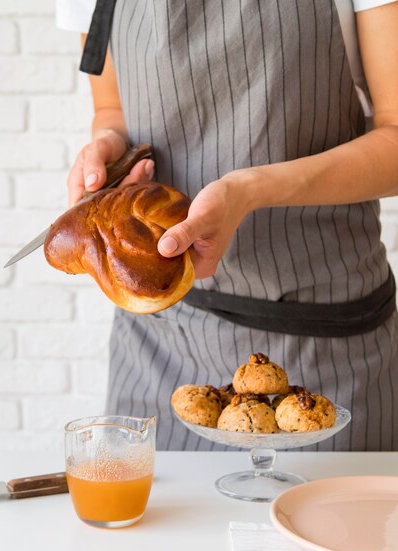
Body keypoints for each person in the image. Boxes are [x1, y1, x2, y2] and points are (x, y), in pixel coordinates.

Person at [56, 0, 398, 451]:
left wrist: (252, 189)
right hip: (161, 342)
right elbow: (112, 108)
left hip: (325, 346)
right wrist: (110, 147)